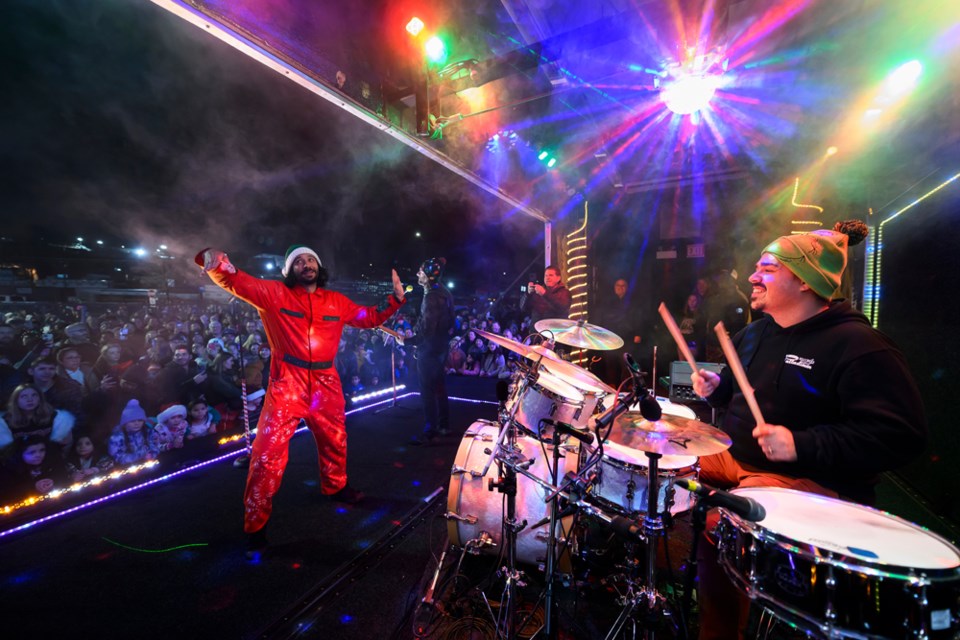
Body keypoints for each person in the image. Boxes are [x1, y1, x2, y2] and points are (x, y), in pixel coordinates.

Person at [690, 221, 927, 639]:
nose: (752, 277)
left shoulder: (859, 345)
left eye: (766, 268)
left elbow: (899, 435)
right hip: (736, 457)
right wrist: (716, 389)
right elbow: (735, 389)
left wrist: (801, 444)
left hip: (806, 479)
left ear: (804, 281)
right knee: (662, 462)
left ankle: (747, 621)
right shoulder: (756, 332)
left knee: (718, 522)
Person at [196, 244, 406, 553]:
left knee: (335, 439)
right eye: (299, 261)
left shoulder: (336, 301)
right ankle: (256, 524)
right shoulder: (273, 294)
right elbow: (236, 280)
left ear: (319, 268)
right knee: (266, 456)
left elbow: (369, 317)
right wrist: (215, 262)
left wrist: (396, 300)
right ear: (289, 270)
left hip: (326, 383)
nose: (306, 264)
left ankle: (336, 486)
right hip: (287, 385)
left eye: (311, 260)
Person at [407, 257, 455, 445]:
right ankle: (444, 426)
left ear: (427, 276)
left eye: (420, 271)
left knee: (427, 390)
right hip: (441, 347)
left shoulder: (431, 297)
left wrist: (409, 341)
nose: (418, 274)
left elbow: (426, 329)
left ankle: (430, 430)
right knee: (440, 387)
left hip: (429, 350)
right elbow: (451, 322)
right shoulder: (445, 292)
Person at [594, 278, 643, 386]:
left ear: (627, 288)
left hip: (627, 337)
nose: (620, 288)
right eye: (618, 285)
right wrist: (600, 333)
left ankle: (625, 387)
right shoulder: (608, 301)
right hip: (610, 336)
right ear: (614, 287)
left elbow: (638, 317)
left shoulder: (633, 301)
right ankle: (612, 385)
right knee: (610, 363)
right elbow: (601, 317)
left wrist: (638, 333)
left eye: (623, 286)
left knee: (626, 364)